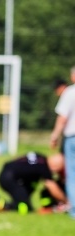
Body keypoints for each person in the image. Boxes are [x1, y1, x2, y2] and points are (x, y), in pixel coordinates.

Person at [0, 152, 68, 214]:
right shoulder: (44, 168)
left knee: (25, 200)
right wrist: (66, 201)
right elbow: (51, 186)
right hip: (9, 178)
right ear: (56, 167)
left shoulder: (39, 157)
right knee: (24, 208)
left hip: (9, 174)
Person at [50, 65, 75, 218]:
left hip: (72, 138)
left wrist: (54, 136)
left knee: (72, 174)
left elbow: (62, 118)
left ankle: (74, 210)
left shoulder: (70, 93)